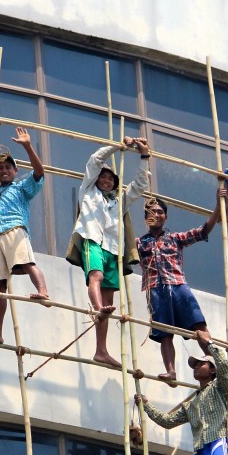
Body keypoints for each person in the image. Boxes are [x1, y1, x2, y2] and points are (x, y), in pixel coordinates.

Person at [66, 137, 151, 368]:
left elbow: (140, 185)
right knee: (96, 277)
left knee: (109, 296)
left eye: (110, 179)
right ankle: (97, 309)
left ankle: (101, 350)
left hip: (113, 249)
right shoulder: (87, 192)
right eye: (103, 177)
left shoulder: (118, 202)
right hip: (92, 239)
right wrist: (117, 146)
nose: (105, 180)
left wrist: (144, 157)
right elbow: (95, 160)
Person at [137, 186, 228, 381]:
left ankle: (217, 362)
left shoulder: (175, 239)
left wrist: (217, 206)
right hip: (155, 290)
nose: (157, 215)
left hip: (178, 286)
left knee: (199, 327)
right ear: (146, 217)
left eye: (160, 212)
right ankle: (171, 371)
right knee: (165, 334)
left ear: (166, 217)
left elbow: (203, 231)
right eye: (152, 212)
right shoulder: (139, 243)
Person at [0, 121, 49, 344]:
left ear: (15, 171)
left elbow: (39, 171)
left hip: (15, 230)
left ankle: (43, 290)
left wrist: (27, 146)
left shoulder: (22, 188)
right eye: (0, 168)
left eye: (8, 168)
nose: (4, 170)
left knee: (27, 263)